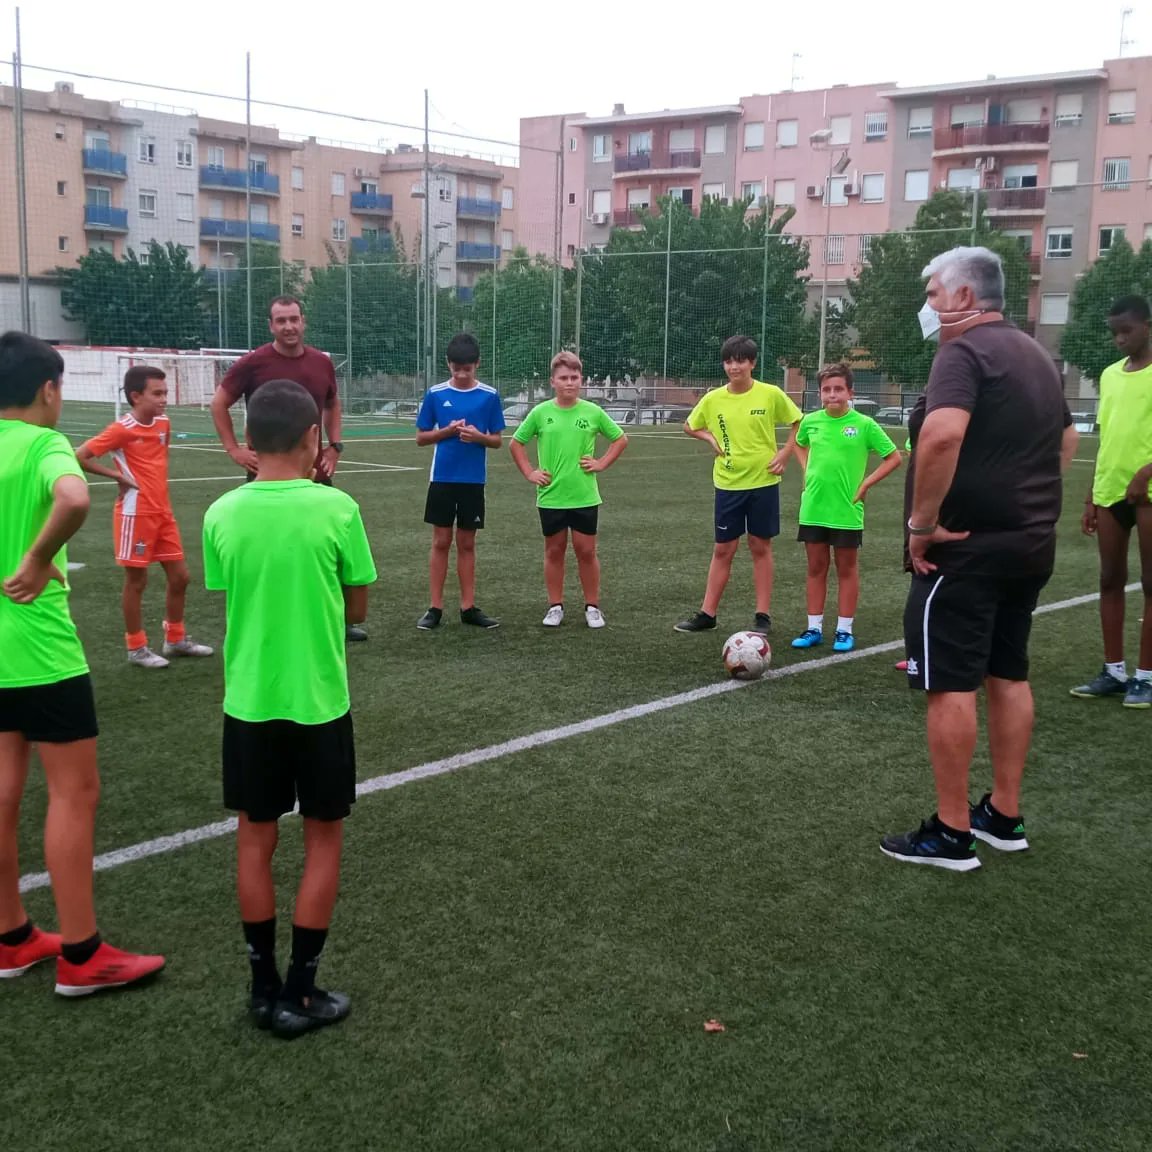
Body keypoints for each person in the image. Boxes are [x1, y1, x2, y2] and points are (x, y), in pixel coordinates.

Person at [881, 247, 1079, 872]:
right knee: (1009, 674)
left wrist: (923, 526)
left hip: (964, 552)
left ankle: (951, 832)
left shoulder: (962, 352)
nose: (929, 306)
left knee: (951, 682)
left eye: (934, 293)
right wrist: (1024, 498)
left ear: (966, 297)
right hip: (1029, 544)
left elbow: (940, 434)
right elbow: (1067, 438)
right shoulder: (1034, 355)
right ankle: (1004, 814)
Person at [203, 379, 377, 1039]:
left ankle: (262, 986)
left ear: (247, 441)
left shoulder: (221, 513)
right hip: (319, 703)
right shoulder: (338, 511)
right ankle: (301, 990)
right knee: (323, 839)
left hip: (248, 703)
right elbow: (356, 608)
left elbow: (231, 592)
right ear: (313, 439)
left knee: (255, 836)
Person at [0, 330, 165, 995]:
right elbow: (73, 499)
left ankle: (12, 938)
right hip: (39, 646)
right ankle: (81, 951)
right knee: (75, 790)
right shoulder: (44, 444)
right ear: (49, 389)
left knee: (6, 787)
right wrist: (37, 560)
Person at [210, 295, 366, 643]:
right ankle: (272, 614)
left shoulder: (321, 363)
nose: (288, 326)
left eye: (293, 319)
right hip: (267, 468)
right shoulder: (253, 363)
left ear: (303, 321)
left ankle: (338, 617)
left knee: (327, 543)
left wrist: (335, 447)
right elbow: (219, 402)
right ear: (271, 326)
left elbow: (332, 403)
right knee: (273, 542)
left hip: (314, 469)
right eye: (281, 321)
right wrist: (233, 448)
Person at [76, 366, 214, 669]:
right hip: (134, 514)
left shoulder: (164, 424)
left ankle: (175, 639)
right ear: (137, 396)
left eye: (165, 393)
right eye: (158, 393)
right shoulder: (121, 429)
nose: (164, 399)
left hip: (163, 512)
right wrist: (117, 475)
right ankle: (136, 647)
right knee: (136, 581)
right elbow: (81, 456)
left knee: (181, 577)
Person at [674, 335, 802, 635]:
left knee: (760, 545)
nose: (734, 367)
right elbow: (690, 425)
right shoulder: (714, 398)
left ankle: (762, 615)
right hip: (728, 483)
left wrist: (785, 453)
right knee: (723, 548)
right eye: (729, 361)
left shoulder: (770, 394)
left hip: (763, 482)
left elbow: (799, 423)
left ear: (752, 363)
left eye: (741, 360)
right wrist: (708, 437)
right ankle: (708, 613)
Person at [1070, 294, 1152, 709]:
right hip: (1109, 492)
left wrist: (1145, 473)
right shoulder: (1109, 376)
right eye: (1114, 333)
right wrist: (1090, 496)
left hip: (1148, 492)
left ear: (1147, 327)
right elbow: (1106, 439)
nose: (1119, 339)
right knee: (1109, 579)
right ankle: (1114, 671)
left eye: (1127, 331)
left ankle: (1146, 677)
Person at [509, 351, 628, 628]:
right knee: (554, 550)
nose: (569, 383)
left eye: (574, 377)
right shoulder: (541, 413)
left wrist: (601, 463)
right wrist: (530, 472)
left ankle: (592, 606)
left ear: (581, 380)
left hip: (584, 495)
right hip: (551, 496)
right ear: (553, 381)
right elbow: (516, 443)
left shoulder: (593, 412)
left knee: (586, 551)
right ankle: (555, 606)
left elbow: (620, 439)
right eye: (564, 378)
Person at [791, 363, 901, 654]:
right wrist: (806, 471)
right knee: (816, 567)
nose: (832, 395)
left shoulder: (864, 425)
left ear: (850, 392)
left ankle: (844, 630)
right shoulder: (810, 421)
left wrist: (865, 485)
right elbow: (799, 444)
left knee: (846, 569)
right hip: (814, 507)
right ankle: (813, 627)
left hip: (847, 510)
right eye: (827, 390)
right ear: (819, 394)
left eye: (838, 389)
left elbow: (893, 457)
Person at [414, 333, 505, 631]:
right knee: (441, 541)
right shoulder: (436, 394)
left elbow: (496, 441)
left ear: (477, 364)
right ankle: (435, 608)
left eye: (467, 368)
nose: (462, 374)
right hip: (442, 478)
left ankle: (468, 607)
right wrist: (447, 432)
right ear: (448, 364)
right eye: (456, 368)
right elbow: (421, 438)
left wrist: (479, 437)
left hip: (472, 481)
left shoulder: (489, 396)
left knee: (467, 543)